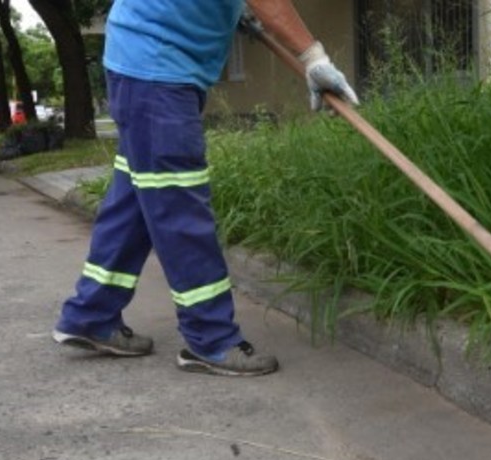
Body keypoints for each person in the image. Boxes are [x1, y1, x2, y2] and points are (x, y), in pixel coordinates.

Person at [53, 0, 358, 377]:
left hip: (145, 64)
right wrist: (313, 57)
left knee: (134, 204)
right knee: (180, 208)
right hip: (157, 72)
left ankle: (91, 314)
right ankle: (210, 339)